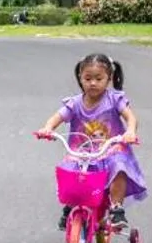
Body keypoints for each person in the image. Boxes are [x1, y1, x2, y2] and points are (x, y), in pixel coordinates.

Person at [34, 52, 145, 226]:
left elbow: (131, 117)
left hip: (110, 150)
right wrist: (48, 128)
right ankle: (70, 206)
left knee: (119, 167)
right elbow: (57, 117)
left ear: (109, 79)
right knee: (70, 171)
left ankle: (116, 209)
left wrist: (130, 131)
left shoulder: (114, 100)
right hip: (82, 151)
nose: (93, 83)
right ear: (80, 78)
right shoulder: (74, 103)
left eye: (98, 79)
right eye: (87, 78)